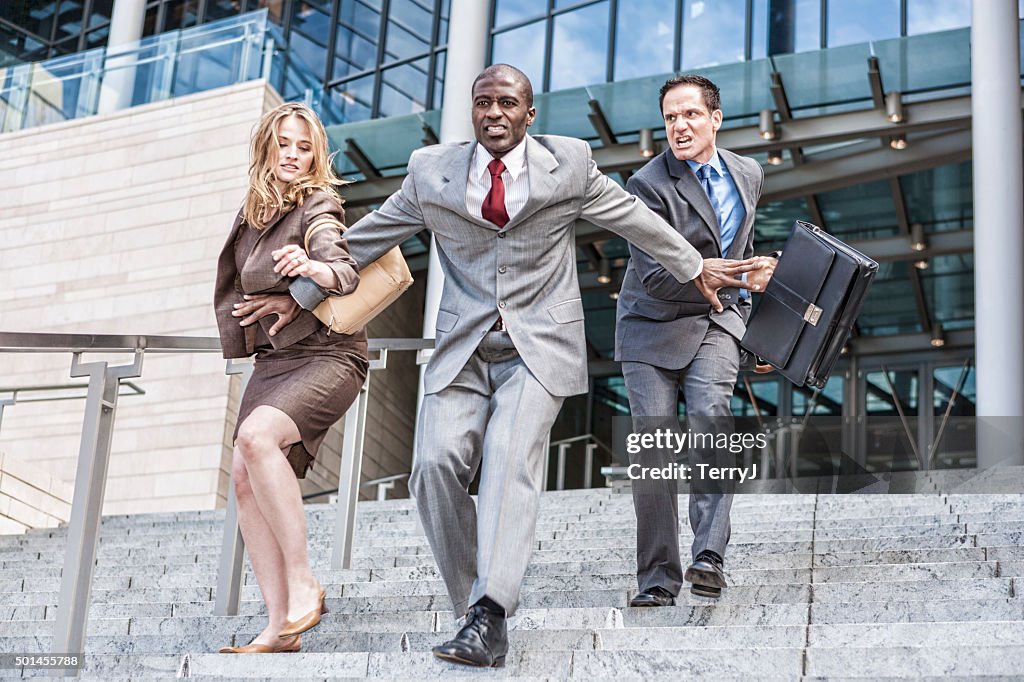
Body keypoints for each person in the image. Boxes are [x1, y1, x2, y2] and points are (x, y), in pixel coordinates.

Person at [279, 64, 760, 667]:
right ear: (472, 111)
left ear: (529, 114)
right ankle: (473, 605)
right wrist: (293, 298)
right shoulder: (432, 172)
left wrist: (695, 267)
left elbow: (637, 221)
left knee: (508, 459)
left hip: (539, 349)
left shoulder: (571, 164)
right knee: (431, 468)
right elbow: (369, 237)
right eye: (484, 103)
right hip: (464, 349)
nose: (494, 113)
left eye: (508, 103)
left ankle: (491, 612)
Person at [615, 75, 777, 606]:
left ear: (716, 118)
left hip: (716, 322)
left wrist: (756, 321)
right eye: (669, 118)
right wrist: (733, 275)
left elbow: (742, 244)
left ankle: (709, 554)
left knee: (712, 416)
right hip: (651, 326)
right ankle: (658, 579)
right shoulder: (647, 185)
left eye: (689, 115)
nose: (678, 126)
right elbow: (658, 275)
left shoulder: (748, 173)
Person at [212, 102, 368, 654]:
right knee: (242, 474)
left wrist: (312, 270)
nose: (294, 156)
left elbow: (341, 266)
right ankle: (279, 628)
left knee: (257, 438)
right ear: (267, 147)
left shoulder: (320, 203)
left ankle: (304, 581)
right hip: (275, 359)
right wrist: (281, 297)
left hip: (329, 355)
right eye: (285, 144)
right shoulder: (253, 212)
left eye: (304, 147)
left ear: (316, 154)